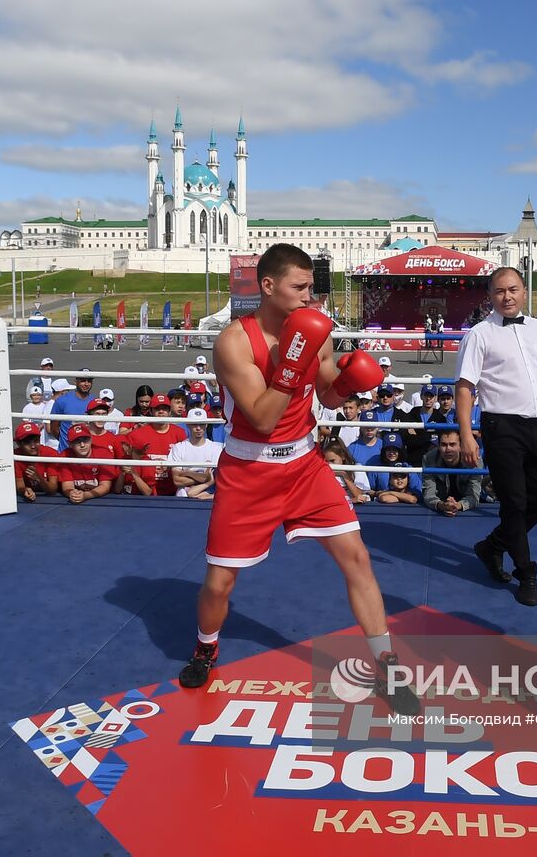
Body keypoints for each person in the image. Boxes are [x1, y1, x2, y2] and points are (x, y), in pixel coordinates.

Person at [176, 243, 418, 715]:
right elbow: (264, 418)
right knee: (220, 583)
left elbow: (326, 393)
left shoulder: (317, 331)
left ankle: (386, 664)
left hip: (306, 464)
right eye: (300, 287)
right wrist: (291, 361)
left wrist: (348, 382)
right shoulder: (234, 342)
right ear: (268, 286)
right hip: (249, 468)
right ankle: (206, 645)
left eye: (312, 287)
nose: (312, 297)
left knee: (357, 557)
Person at [455, 266, 537, 606]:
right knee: (513, 503)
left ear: (524, 291)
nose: (507, 296)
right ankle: (526, 572)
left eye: (513, 289)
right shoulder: (479, 335)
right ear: (490, 296)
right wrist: (467, 434)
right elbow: (465, 387)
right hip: (501, 426)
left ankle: (493, 545)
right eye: (500, 291)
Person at [119, 396, 185, 495]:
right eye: (157, 409)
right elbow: (120, 445)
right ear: (151, 411)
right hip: (144, 491)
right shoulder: (138, 434)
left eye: (165, 409)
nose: (161, 412)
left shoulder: (179, 433)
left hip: (172, 490)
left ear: (170, 411)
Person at [422, 429, 484, 518]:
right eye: (443, 445)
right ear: (438, 446)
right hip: (441, 505)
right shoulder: (429, 458)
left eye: (452, 444)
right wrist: (442, 505)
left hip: (466, 511)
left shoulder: (474, 460)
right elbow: (428, 494)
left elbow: (474, 496)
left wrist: (456, 506)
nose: (448, 449)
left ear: (461, 446)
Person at [168, 407, 223, 499]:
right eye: (194, 424)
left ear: (206, 425)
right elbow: (177, 480)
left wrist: (186, 472)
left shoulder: (216, 448)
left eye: (201, 424)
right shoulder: (178, 447)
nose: (198, 428)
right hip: (183, 497)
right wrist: (205, 478)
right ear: (188, 424)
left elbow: (216, 479)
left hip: (207, 497)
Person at [62, 431, 119, 504]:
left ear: (91, 440)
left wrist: (85, 495)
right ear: (69, 444)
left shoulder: (104, 453)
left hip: (104, 501)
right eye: (77, 441)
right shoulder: (65, 455)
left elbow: (105, 485)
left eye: (85, 440)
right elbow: (67, 485)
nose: (82, 445)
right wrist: (73, 494)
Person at [14, 422, 63, 502]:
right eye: (27, 442)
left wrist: (39, 478)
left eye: (36, 441)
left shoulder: (50, 454)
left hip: (52, 500)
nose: (33, 446)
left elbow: (53, 489)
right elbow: (20, 487)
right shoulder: (16, 456)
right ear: (19, 443)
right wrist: (25, 490)